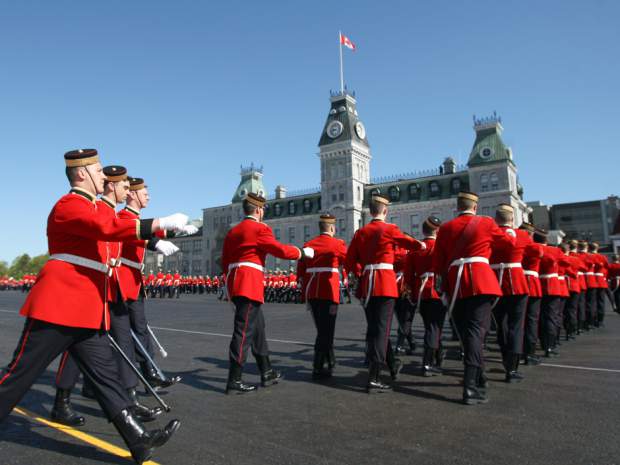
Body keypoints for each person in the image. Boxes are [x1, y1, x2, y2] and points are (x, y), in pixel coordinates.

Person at [0, 149, 189, 464]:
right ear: (81, 174)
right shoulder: (68, 205)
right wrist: (160, 222)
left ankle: (138, 439)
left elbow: (118, 227)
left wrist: (159, 235)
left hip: (87, 308)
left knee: (106, 378)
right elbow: (107, 228)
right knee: (21, 374)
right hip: (59, 306)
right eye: (99, 170)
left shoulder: (94, 208)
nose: (104, 176)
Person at [222, 193, 314, 394]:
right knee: (243, 331)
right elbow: (279, 250)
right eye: (262, 210)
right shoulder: (260, 228)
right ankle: (234, 379)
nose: (263, 213)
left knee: (258, 329)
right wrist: (301, 252)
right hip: (249, 283)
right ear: (257, 210)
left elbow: (224, 261)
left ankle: (266, 370)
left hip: (236, 282)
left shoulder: (234, 231)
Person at [432, 191, 515, 405]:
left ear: (457, 207)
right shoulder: (486, 223)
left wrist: (443, 284)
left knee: (465, 334)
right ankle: (469, 386)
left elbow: (438, 262)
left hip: (455, 284)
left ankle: (479, 376)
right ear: (475, 207)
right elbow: (508, 243)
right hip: (480, 281)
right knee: (476, 334)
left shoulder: (446, 228)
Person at [346, 194, 425, 393]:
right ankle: (373, 376)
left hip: (367, 285)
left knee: (376, 328)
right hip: (384, 284)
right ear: (385, 211)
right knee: (381, 330)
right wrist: (420, 245)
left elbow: (349, 261)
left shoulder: (360, 232)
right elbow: (408, 242)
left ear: (371, 211)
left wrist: (360, 273)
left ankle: (391, 364)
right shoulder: (389, 229)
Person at [118, 176, 191, 389]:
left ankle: (150, 372)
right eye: (143, 191)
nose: (148, 195)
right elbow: (137, 234)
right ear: (131, 193)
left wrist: (177, 231)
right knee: (122, 334)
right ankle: (144, 374)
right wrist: (156, 242)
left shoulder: (136, 219)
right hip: (122, 280)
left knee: (139, 329)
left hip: (134, 280)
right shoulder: (123, 216)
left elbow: (151, 230)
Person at [297, 214, 347, 379]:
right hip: (328, 291)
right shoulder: (338, 244)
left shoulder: (308, 244)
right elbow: (349, 260)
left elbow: (301, 270)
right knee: (327, 330)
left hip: (312, 291)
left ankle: (330, 359)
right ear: (332, 228)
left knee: (321, 328)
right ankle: (318, 365)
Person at [489, 204, 532, 383]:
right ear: (512, 219)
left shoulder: (490, 235)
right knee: (516, 326)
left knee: (501, 325)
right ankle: (512, 367)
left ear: (496, 220)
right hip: (517, 282)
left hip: (495, 282)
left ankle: (506, 357)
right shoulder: (523, 235)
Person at [405, 216, 445, 377]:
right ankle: (427, 363)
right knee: (434, 328)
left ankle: (437, 356)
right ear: (437, 230)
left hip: (421, 293)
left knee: (432, 326)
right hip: (437, 291)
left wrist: (413, 293)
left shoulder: (416, 249)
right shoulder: (440, 247)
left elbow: (408, 276)